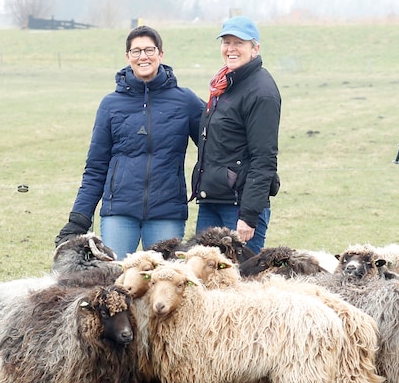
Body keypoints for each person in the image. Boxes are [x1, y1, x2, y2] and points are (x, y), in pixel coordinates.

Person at [55, 26, 205, 258]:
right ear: (128, 57)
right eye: (136, 51)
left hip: (167, 213)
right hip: (119, 213)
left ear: (160, 54)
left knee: (164, 277)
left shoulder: (185, 101)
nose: (143, 56)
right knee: (115, 275)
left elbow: (214, 143)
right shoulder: (110, 105)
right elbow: (95, 167)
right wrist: (79, 218)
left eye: (149, 50)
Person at [191, 16, 281, 252]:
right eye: (226, 42)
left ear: (255, 48)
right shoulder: (224, 85)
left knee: (241, 274)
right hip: (212, 201)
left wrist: (248, 216)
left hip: (238, 207)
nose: (231, 48)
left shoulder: (261, 91)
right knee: (203, 271)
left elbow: (264, 158)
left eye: (239, 43)